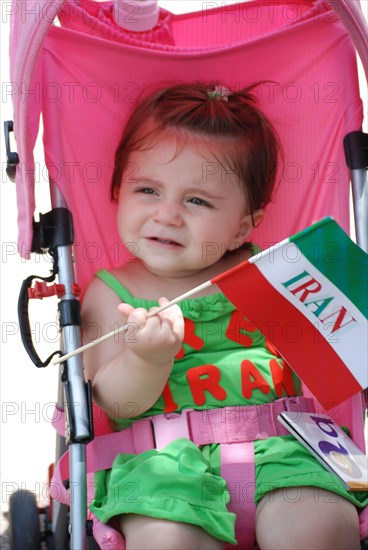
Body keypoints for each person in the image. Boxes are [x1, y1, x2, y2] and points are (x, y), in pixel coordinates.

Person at [81, 82, 364, 549]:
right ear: (118, 191)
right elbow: (115, 404)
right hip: (162, 464)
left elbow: (340, 342)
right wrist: (147, 360)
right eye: (147, 189)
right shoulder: (114, 293)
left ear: (244, 225)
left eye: (197, 201)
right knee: (167, 540)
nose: (167, 214)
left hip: (289, 445)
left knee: (322, 526)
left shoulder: (277, 273)